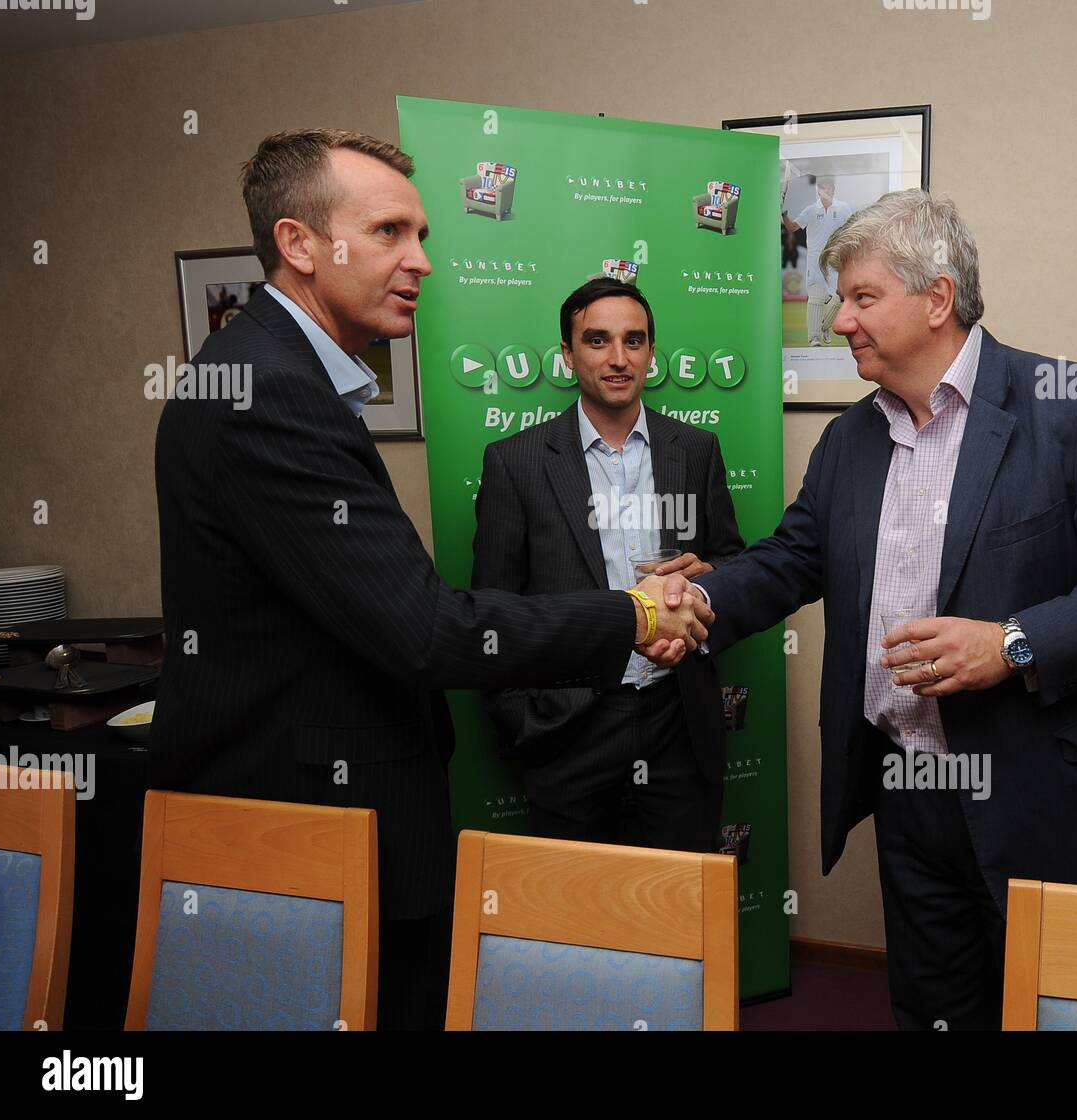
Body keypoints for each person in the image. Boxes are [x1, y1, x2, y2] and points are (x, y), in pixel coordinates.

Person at [151, 129, 711, 1030]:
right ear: (300, 245)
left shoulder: (274, 372)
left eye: (423, 236)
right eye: (390, 233)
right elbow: (425, 628)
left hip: (335, 817)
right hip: (305, 825)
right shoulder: (268, 390)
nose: (422, 262)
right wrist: (634, 613)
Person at [696, 189, 1077, 1030]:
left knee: (1061, 1013)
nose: (839, 321)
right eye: (839, 300)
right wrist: (689, 599)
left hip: (1046, 792)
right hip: (911, 785)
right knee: (935, 1008)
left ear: (936, 298)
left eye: (862, 297)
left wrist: (1012, 643)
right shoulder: (850, 440)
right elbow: (791, 562)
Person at [472, 278, 744, 851]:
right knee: (575, 918)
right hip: (571, 726)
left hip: (678, 718)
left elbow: (731, 563)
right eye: (597, 341)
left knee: (682, 909)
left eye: (634, 341)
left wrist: (706, 586)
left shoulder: (696, 451)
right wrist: (525, 720)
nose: (618, 359)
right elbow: (493, 609)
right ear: (568, 355)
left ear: (650, 351)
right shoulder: (515, 463)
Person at [782, 175, 853, 345]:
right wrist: (784, 215)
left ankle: (823, 326)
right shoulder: (811, 210)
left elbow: (853, 228)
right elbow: (792, 227)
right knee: (815, 298)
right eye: (824, 189)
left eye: (830, 189)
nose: (827, 191)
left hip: (836, 260)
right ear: (818, 191)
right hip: (815, 261)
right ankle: (814, 337)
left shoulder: (843, 208)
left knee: (838, 298)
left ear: (833, 191)